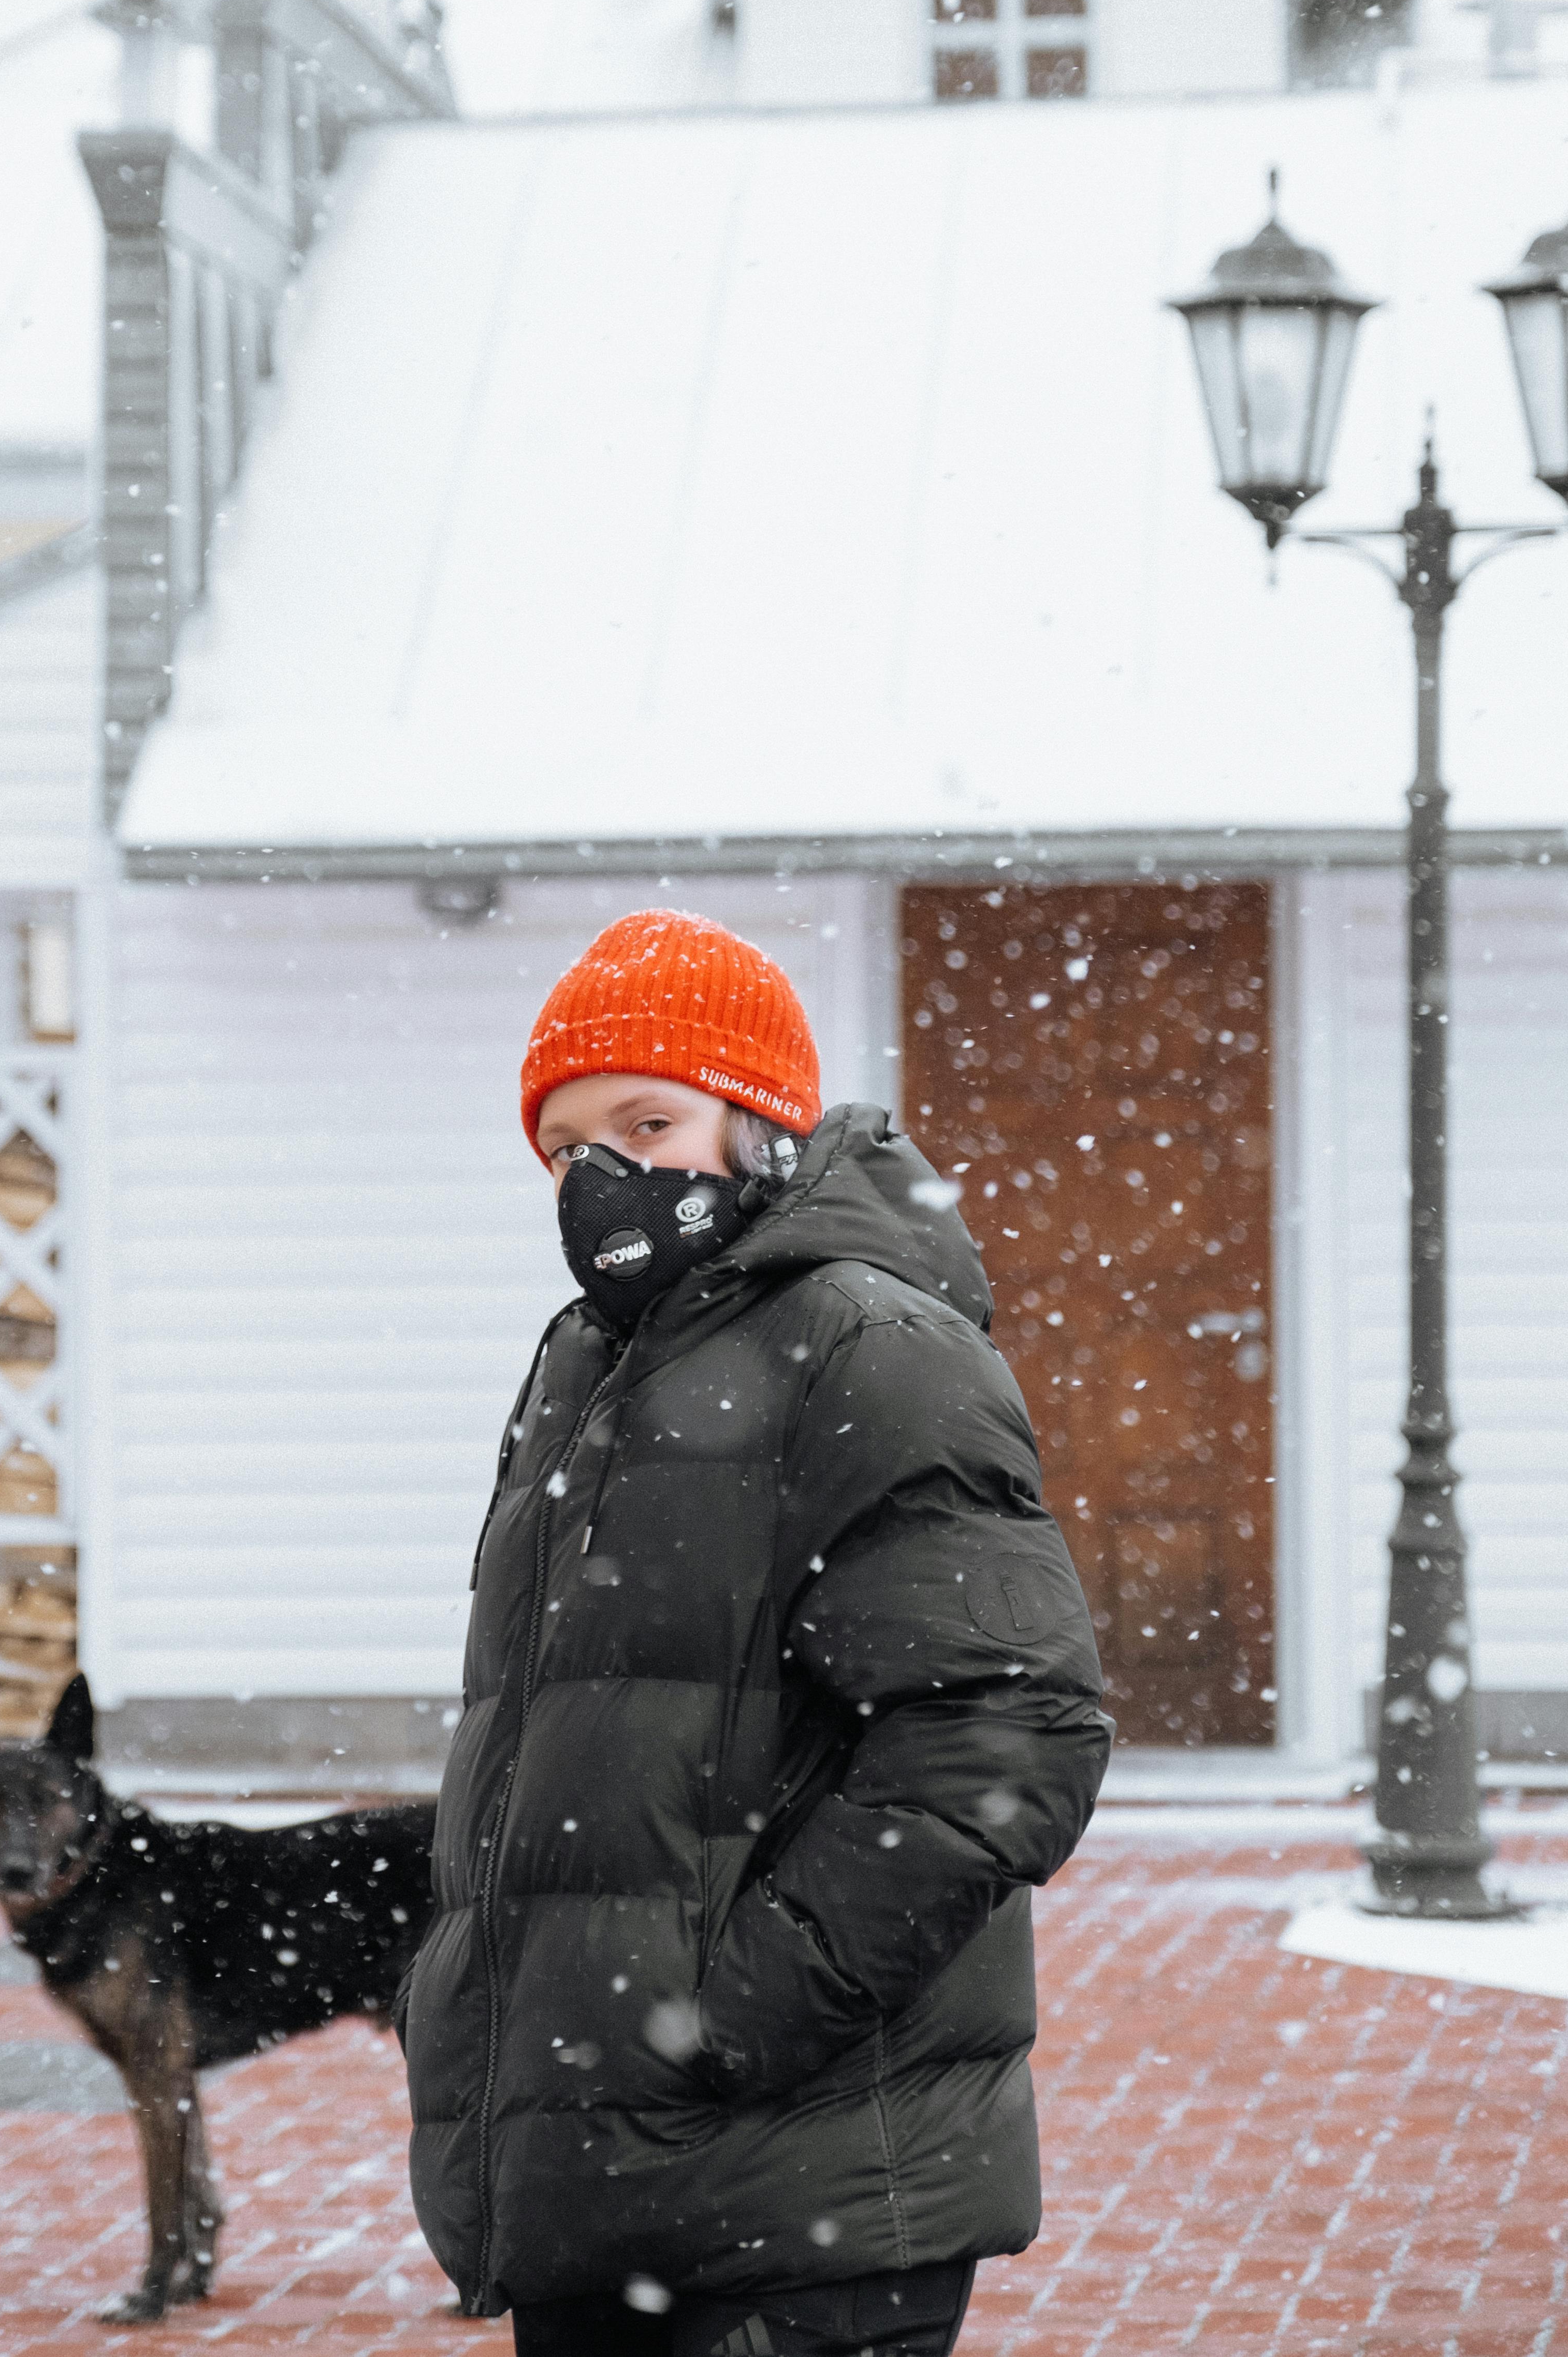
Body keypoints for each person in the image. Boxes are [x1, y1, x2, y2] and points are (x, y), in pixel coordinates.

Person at [402, 910, 1110, 2357]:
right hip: (600, 2188)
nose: (603, 1178)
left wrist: (732, 2018)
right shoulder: (585, 1364)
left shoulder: (868, 1343)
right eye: (565, 1148)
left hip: (796, 2200)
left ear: (761, 1126)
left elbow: (1008, 1730)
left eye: (648, 1121)